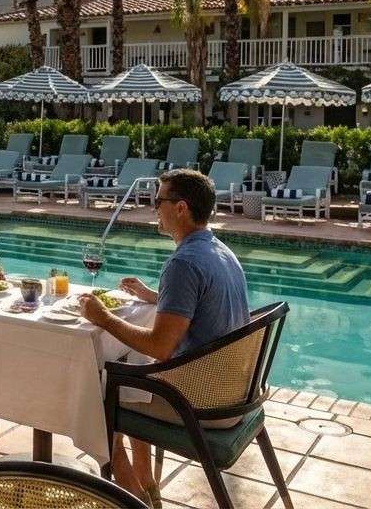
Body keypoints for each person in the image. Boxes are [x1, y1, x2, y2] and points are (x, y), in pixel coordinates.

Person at [78, 168, 250, 503]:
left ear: (181, 208)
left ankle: (129, 492)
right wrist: (156, 297)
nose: (154, 208)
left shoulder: (183, 262)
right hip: (235, 391)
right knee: (129, 374)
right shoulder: (219, 250)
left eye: (158, 201)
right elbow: (200, 305)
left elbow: (160, 347)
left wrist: (103, 317)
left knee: (93, 391)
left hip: (204, 402)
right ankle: (148, 483)